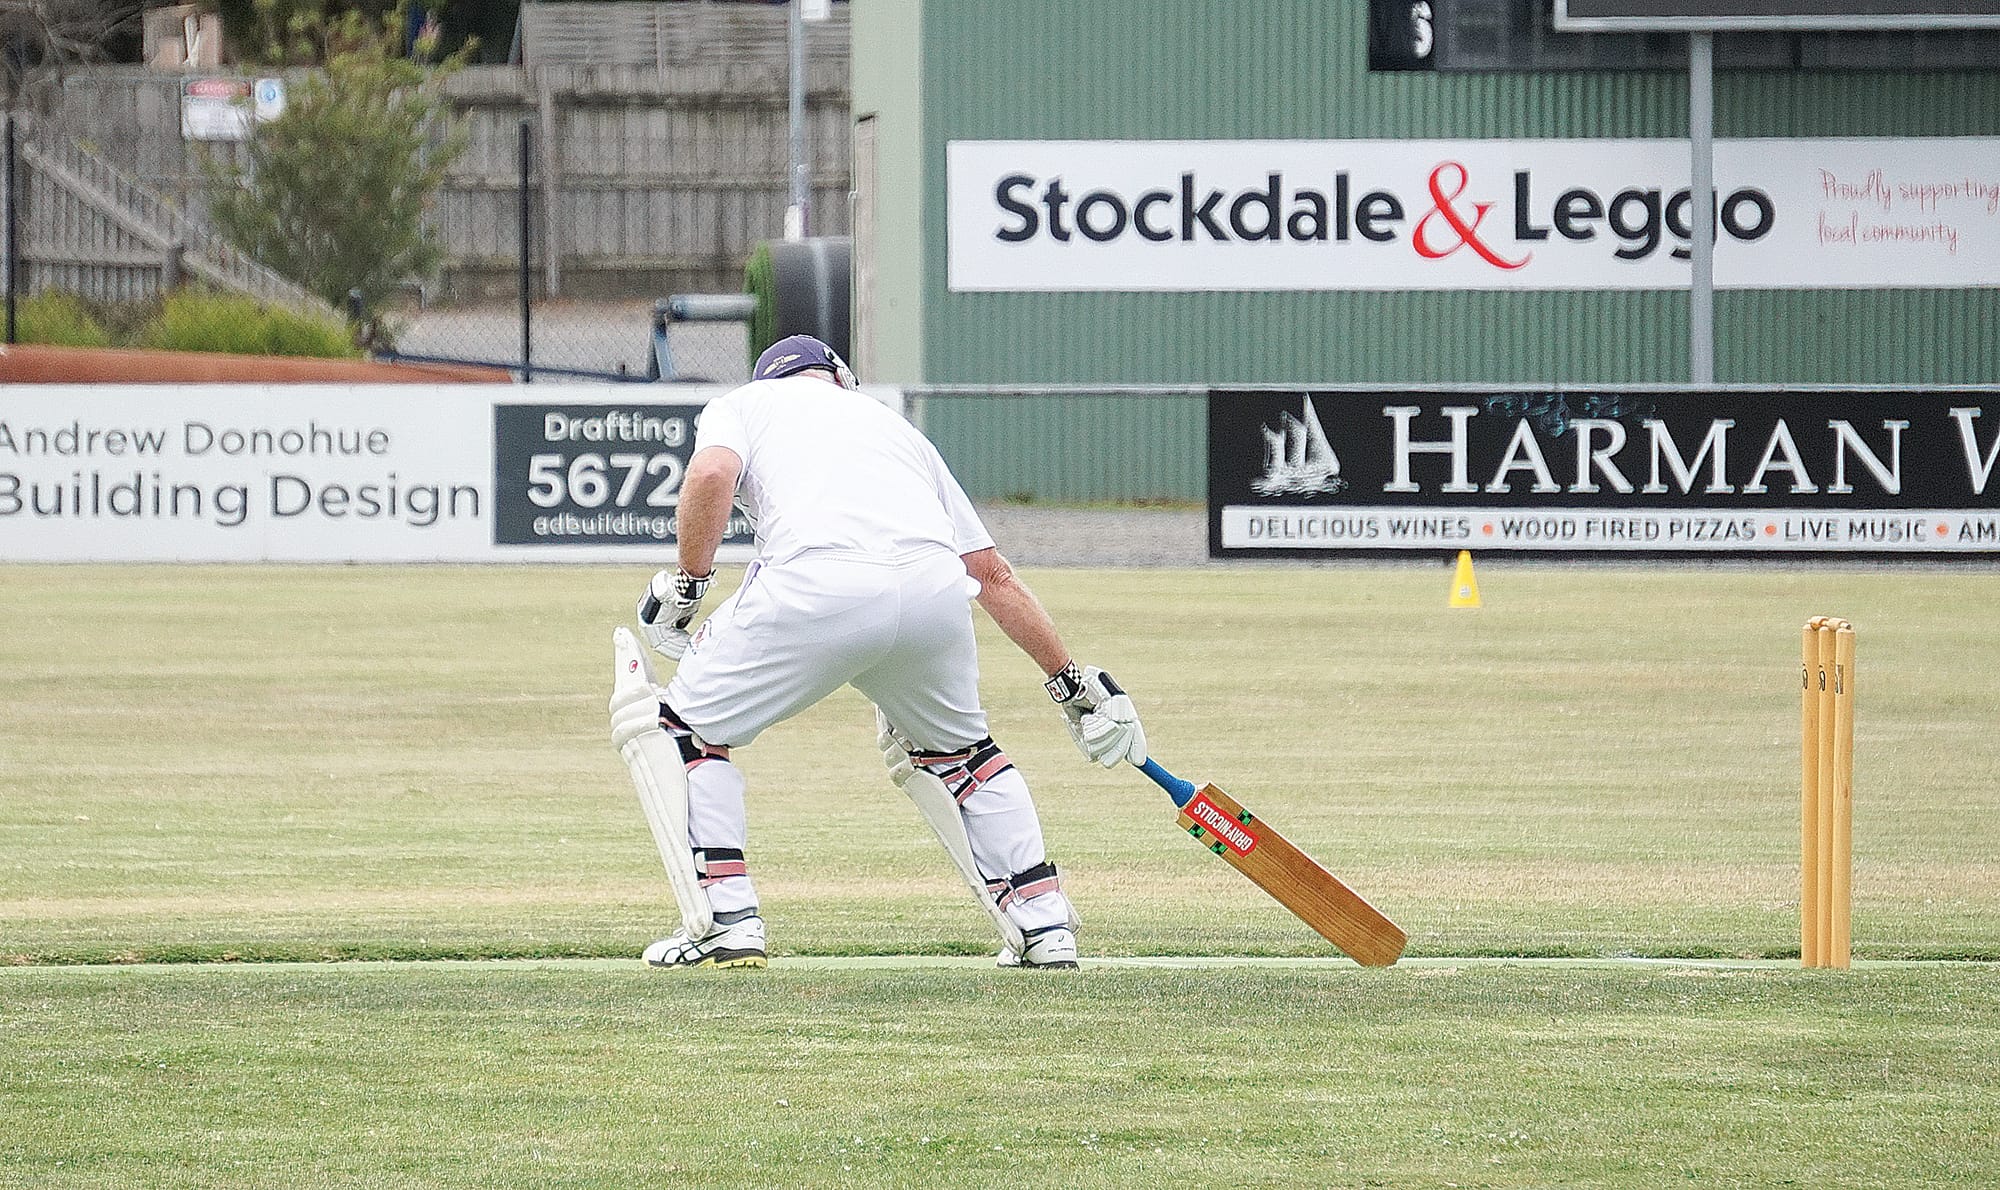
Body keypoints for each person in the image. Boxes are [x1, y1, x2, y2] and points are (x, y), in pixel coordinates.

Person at [607, 334, 1145, 971]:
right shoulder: (896, 428)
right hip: (932, 591)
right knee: (965, 756)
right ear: (839, 375)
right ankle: (1045, 926)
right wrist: (1072, 684)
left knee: (680, 733)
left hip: (814, 583)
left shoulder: (742, 404)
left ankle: (726, 920)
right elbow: (992, 576)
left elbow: (711, 473)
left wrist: (690, 585)